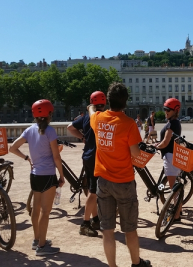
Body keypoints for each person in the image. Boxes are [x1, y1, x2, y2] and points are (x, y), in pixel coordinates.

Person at [88, 82, 152, 267]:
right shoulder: (129, 124)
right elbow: (135, 153)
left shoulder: (98, 119)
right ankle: (136, 263)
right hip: (124, 181)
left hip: (104, 182)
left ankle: (113, 266)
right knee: (129, 230)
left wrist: (91, 106)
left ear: (108, 101)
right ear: (125, 102)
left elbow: (92, 111)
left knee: (107, 231)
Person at [9, 99, 65, 256]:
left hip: (34, 175)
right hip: (47, 174)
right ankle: (42, 246)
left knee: (36, 208)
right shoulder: (50, 131)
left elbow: (12, 148)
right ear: (49, 114)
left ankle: (36, 239)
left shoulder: (29, 130)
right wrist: (61, 175)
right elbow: (56, 156)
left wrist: (27, 158)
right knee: (46, 212)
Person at [67, 91, 106, 237]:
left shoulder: (84, 117)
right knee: (94, 192)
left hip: (87, 156)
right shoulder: (102, 117)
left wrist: (83, 137)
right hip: (97, 157)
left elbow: (70, 127)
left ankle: (95, 219)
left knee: (92, 189)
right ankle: (85, 223)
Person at [154, 98, 182, 221]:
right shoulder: (175, 122)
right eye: (164, 109)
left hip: (170, 157)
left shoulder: (172, 123)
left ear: (175, 110)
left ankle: (176, 215)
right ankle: (178, 212)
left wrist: (155, 146)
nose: (165, 111)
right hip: (172, 156)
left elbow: (165, 142)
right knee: (175, 188)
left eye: (168, 110)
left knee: (173, 190)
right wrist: (158, 144)